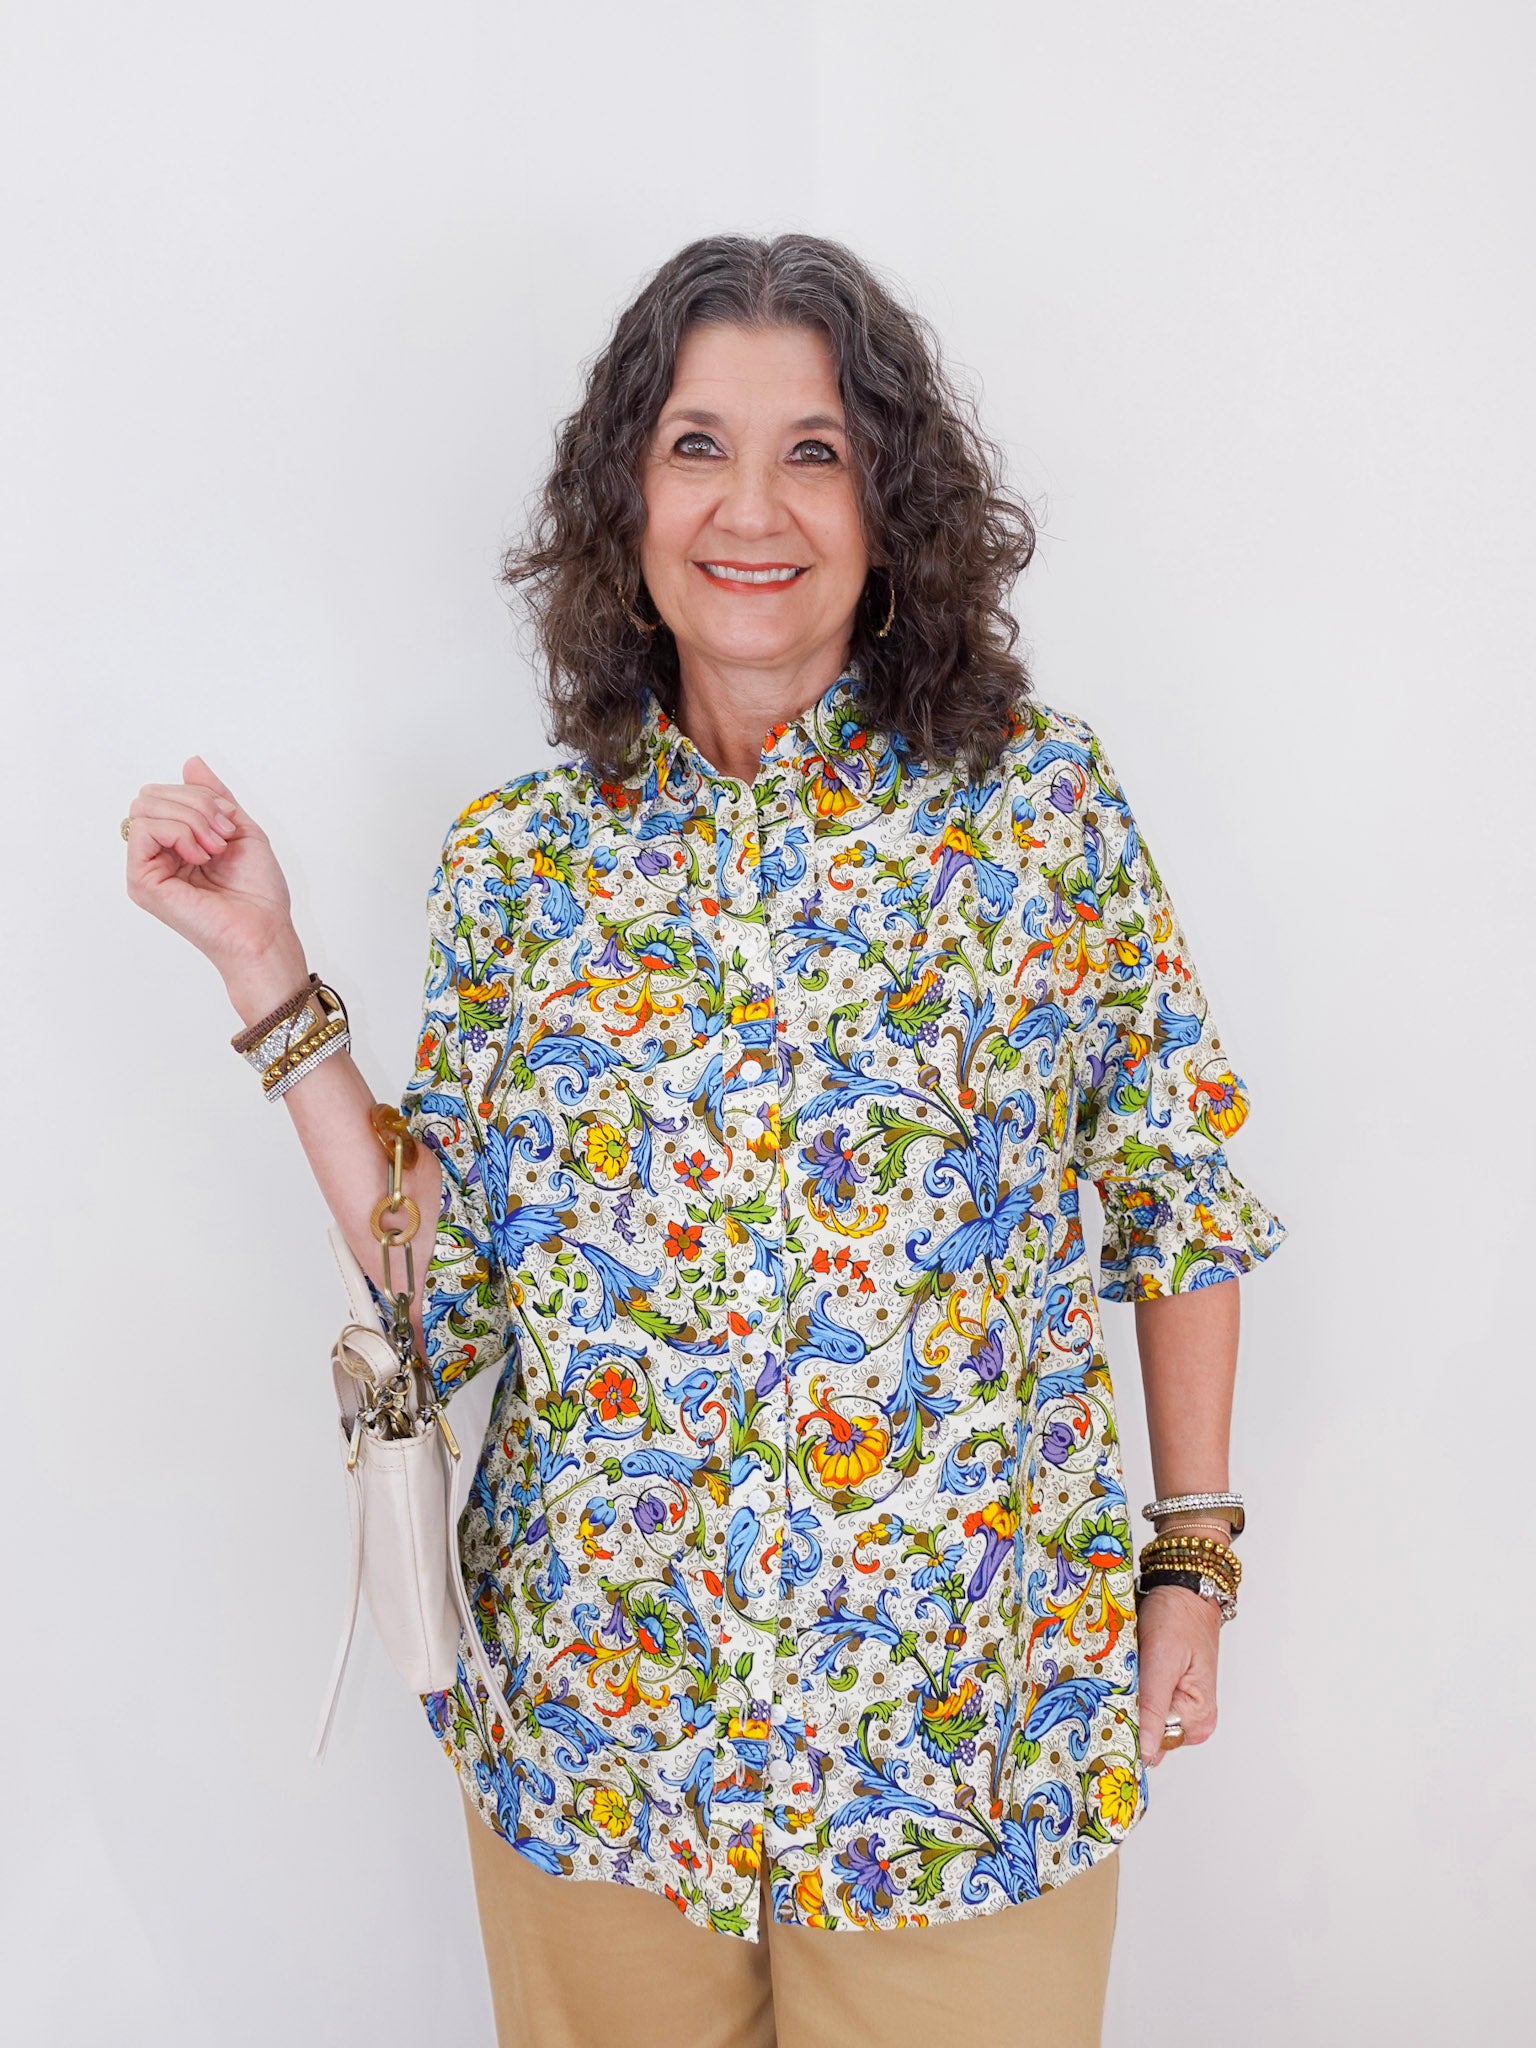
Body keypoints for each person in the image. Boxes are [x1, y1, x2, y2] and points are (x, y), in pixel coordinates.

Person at [125, 232, 1287, 2048]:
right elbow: (453, 1286)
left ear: (894, 505)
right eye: (696, 446)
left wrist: (1191, 1559)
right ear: (625, 499)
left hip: (963, 1754)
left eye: (816, 450)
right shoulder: (523, 862)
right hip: (601, 1752)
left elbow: (1177, 1192)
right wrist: (266, 969)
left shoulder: (1038, 813)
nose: (754, 506)